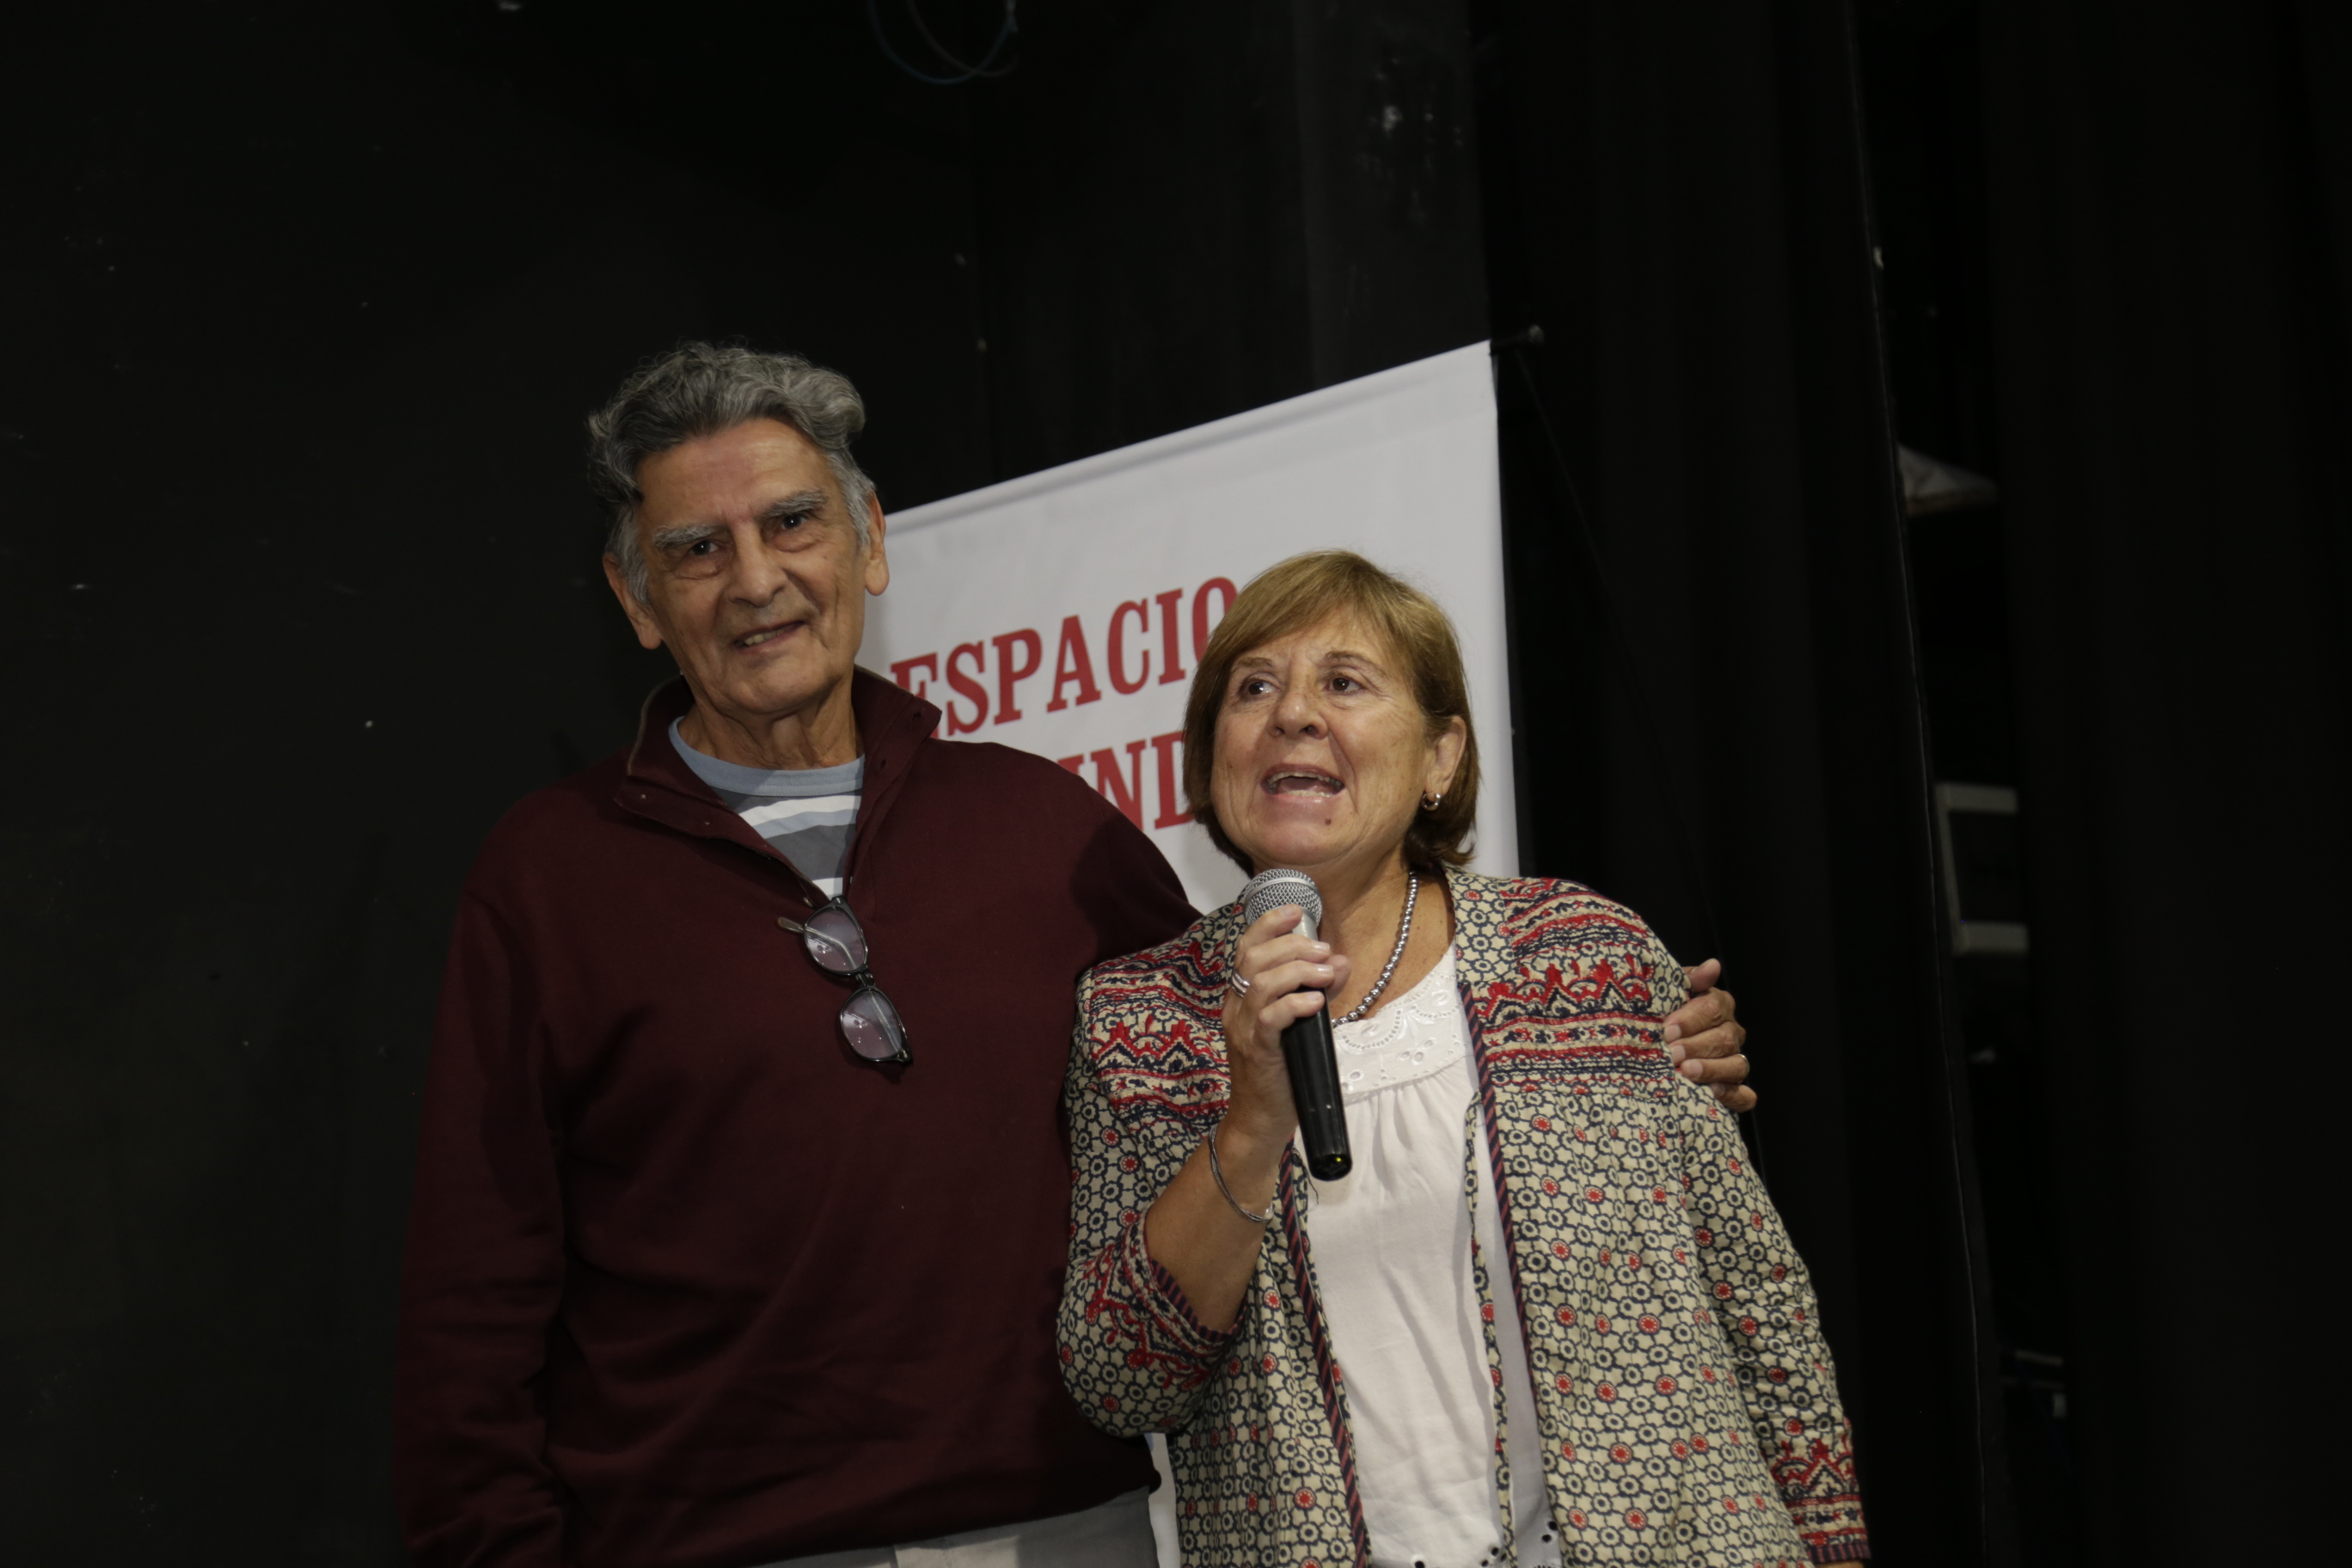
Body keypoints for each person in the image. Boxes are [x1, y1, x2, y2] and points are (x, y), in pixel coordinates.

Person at [394, 344, 1755, 1567]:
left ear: (870, 540)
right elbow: (475, 1289)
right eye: (697, 549)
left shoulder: (1048, 830)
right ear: (637, 600)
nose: (757, 579)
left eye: (794, 521)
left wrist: (1624, 1055)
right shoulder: (552, 875)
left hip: (1069, 1533)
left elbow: (1260, 1038)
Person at [1058, 551, 1865, 1567]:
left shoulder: (1586, 955)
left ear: (1441, 756)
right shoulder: (1138, 1022)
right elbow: (1121, 1383)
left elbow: (1758, 1302)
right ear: (1211, 757)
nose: (1292, 713)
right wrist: (1254, 1123)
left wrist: (1831, 1544)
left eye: (1343, 683)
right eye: (1252, 688)